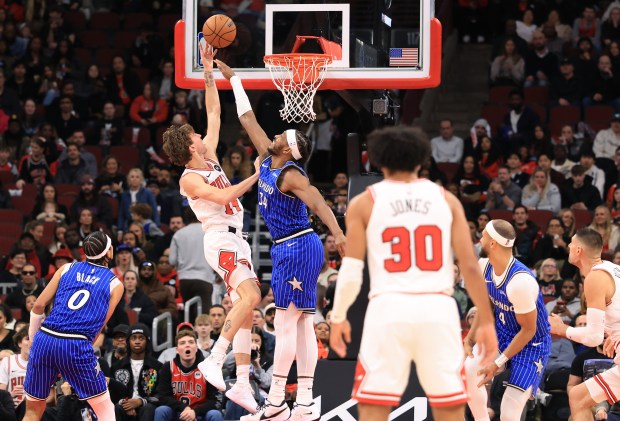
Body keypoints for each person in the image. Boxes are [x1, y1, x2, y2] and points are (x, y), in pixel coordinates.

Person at [328, 126, 498, 421]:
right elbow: (470, 266)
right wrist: (486, 320)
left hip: (388, 308)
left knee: (373, 407)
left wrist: (339, 314)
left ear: (378, 161)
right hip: (437, 308)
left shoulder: (364, 202)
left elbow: (352, 270)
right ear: (422, 161)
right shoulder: (447, 200)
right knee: (449, 408)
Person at [217, 57, 347, 421]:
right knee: (303, 321)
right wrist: (236, 80)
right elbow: (246, 120)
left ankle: (276, 401)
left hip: (297, 245)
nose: (273, 136)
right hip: (292, 246)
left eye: (280, 137)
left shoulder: (290, 173)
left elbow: (319, 200)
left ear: (288, 148)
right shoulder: (268, 159)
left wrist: (338, 234)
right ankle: (303, 402)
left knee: (287, 322)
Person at [161, 43, 262, 413]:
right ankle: (215, 359)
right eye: (196, 137)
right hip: (220, 239)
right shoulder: (189, 178)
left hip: (238, 239)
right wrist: (254, 176)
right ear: (189, 148)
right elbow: (222, 199)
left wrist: (207, 71)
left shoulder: (210, 156)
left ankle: (242, 385)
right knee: (250, 297)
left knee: (247, 307)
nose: (202, 136)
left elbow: (215, 111)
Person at [22, 231, 124, 421]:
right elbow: (98, 328)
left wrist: (35, 343)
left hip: (46, 337)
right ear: (108, 252)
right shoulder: (115, 284)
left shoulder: (67, 268)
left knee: (33, 412)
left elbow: (37, 307)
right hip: (76, 343)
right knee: (105, 410)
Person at [464, 219, 551, 421]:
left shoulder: (520, 282)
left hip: (531, 345)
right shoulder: (484, 265)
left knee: (509, 413)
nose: (480, 239)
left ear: (493, 243)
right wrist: (469, 339)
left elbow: (528, 331)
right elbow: (484, 305)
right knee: (469, 370)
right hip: (503, 334)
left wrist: (498, 363)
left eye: (483, 235)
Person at [548, 227, 620, 420]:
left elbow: (592, 337)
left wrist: (563, 329)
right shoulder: (614, 269)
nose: (569, 246)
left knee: (579, 397)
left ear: (578, 250)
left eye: (571, 243)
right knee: (578, 396)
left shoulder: (595, 277)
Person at [154, 329, 223, 421]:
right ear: (177, 350)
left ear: (196, 347)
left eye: (191, 342)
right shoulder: (168, 367)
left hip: (201, 414)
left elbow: (215, 400)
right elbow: (163, 397)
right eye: (182, 343)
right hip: (178, 412)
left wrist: (195, 412)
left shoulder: (208, 367)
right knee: (161, 410)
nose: (187, 345)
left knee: (215, 414)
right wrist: (184, 408)